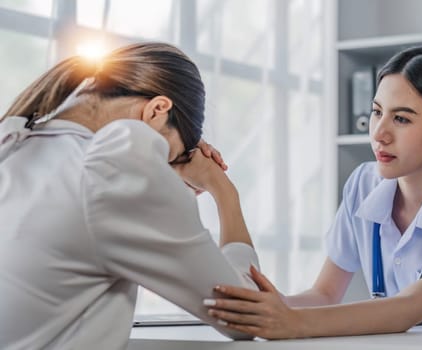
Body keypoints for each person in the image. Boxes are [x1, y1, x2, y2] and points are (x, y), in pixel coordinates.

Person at [202, 45, 422, 339]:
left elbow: (408, 308)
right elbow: (325, 295)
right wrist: (265, 307)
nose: (379, 134)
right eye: (376, 112)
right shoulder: (363, 184)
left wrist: (292, 323)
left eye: (401, 118)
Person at [0, 42, 261, 349]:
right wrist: (223, 190)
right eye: (169, 156)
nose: (165, 169)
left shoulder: (14, 142)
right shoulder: (115, 166)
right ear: (157, 109)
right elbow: (247, 312)